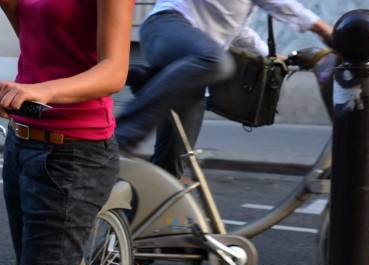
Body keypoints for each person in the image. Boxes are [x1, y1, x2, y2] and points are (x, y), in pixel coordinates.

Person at [0, 1, 133, 265]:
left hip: (73, 156)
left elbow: (114, 71)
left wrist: (42, 91)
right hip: (21, 144)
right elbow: (42, 40)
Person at [115, 0, 333, 178]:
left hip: (191, 73)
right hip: (167, 26)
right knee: (217, 63)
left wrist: (271, 56)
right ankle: (128, 130)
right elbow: (280, 4)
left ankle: (144, 225)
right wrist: (324, 30)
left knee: (174, 161)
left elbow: (237, 31)